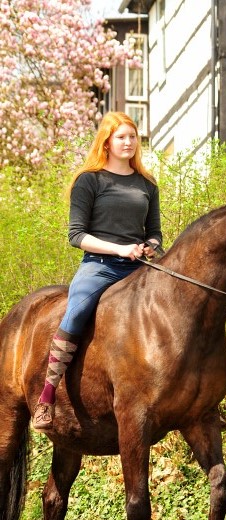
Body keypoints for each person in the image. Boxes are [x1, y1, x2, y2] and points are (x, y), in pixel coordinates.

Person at [32, 111, 162, 431]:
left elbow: (156, 231)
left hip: (140, 269)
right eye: (121, 137)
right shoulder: (89, 180)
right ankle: (46, 398)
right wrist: (119, 248)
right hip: (100, 268)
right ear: (107, 141)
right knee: (74, 314)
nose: (128, 142)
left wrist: (150, 245)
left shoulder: (147, 183)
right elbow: (77, 235)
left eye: (132, 136)